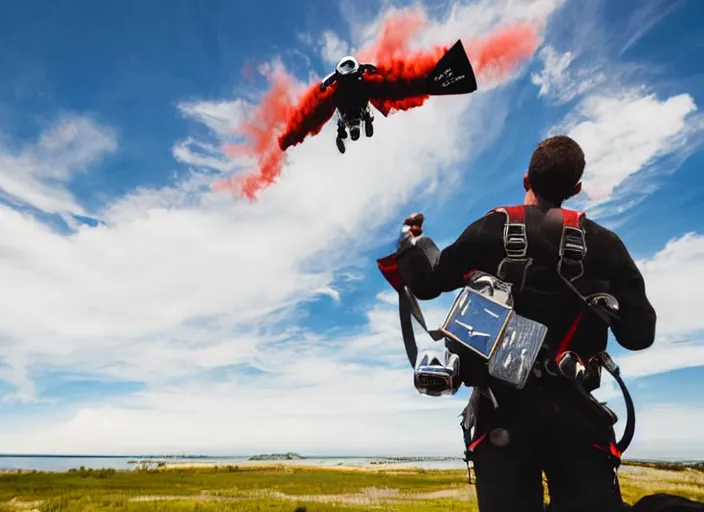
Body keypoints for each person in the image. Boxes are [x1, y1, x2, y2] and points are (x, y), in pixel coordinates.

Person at [391, 135, 657, 512]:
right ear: (576, 189)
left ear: (526, 179)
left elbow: (426, 285)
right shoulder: (605, 245)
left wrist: (410, 244)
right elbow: (639, 335)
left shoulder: (487, 231)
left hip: (501, 418)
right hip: (577, 414)